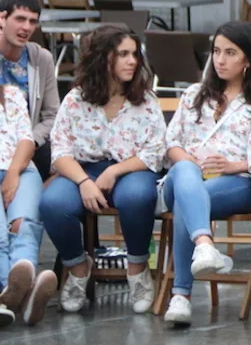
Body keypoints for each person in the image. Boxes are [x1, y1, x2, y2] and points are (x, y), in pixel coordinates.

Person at [39, 25, 165, 314]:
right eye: (123, 54)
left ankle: (137, 269)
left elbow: (155, 151)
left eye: (134, 54)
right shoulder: (76, 100)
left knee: (137, 197)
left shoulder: (146, 100)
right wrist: (84, 181)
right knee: (52, 203)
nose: (132, 61)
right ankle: (78, 267)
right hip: (82, 169)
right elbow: (60, 152)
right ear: (102, 57)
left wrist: (114, 171)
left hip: (132, 169)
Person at [159, 21, 251, 327]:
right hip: (184, 177)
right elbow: (171, 143)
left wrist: (235, 165)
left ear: (248, 58)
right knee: (185, 177)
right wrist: (188, 162)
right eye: (216, 51)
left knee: (187, 201)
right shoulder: (194, 94)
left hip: (235, 182)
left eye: (230, 53)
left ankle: (181, 296)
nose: (220, 60)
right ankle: (205, 246)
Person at [0, 76, 57, 328]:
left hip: (20, 168)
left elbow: (26, 139)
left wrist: (13, 173)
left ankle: (11, 296)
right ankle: (24, 296)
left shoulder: (11, 95)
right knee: (0, 235)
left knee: (24, 225)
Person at [0, 0, 58, 178]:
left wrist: (29, 142)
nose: (26, 27)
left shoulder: (41, 59)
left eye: (32, 21)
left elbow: (52, 115)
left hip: (29, 143)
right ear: (2, 19)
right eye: (20, 19)